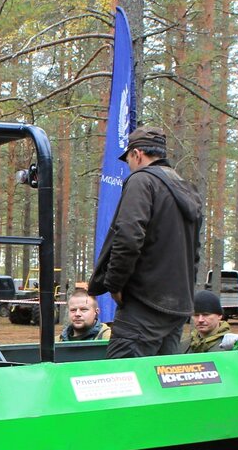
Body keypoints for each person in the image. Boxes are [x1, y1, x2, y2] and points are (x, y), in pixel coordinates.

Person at [87, 126, 204, 358]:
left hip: (143, 305)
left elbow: (129, 236)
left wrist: (115, 284)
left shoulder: (142, 181)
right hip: (177, 308)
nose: (128, 166)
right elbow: (195, 253)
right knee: (162, 384)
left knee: (122, 381)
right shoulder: (186, 188)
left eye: (128, 159)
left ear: (137, 154)